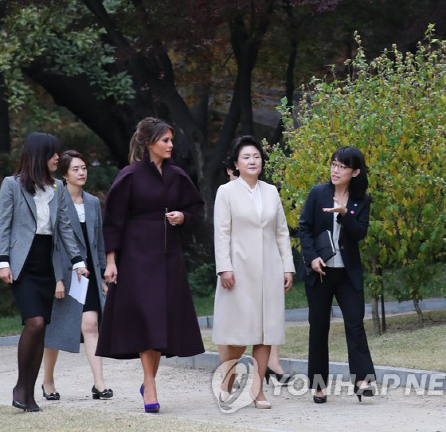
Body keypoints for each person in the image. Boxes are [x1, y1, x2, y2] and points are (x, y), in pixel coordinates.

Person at [95, 117, 204, 413]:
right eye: (165, 140)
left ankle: (148, 381)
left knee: (160, 320)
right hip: (136, 256)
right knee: (147, 318)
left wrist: (182, 216)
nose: (171, 145)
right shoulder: (129, 176)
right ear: (148, 143)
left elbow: (195, 208)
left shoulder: (178, 175)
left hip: (169, 256)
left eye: (171, 140)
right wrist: (111, 261)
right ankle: (151, 385)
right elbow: (113, 221)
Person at [0, 133, 89, 412]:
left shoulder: (58, 187)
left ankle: (29, 392)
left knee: (41, 330)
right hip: (23, 264)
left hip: (47, 264)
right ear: (39, 155)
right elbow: (4, 224)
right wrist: (2, 261)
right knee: (34, 323)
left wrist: (77, 260)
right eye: (52, 153)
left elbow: (64, 227)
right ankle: (21, 386)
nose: (57, 158)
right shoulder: (11, 185)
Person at [212, 135, 295, 409]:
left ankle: (258, 390)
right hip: (238, 270)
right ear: (235, 163)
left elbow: (281, 232)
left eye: (256, 156)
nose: (252, 161)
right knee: (238, 331)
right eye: (246, 157)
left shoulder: (271, 191)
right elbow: (221, 232)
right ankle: (228, 378)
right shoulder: (226, 191)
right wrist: (224, 267)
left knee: (266, 332)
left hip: (270, 270)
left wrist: (287, 267)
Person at [298, 146, 376, 403]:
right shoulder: (318, 193)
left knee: (355, 324)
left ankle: (363, 380)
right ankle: (319, 385)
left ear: (355, 172)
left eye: (342, 166)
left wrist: (344, 214)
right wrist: (312, 258)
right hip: (320, 273)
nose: (335, 170)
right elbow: (304, 228)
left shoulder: (361, 200)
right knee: (319, 327)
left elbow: (360, 233)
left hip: (347, 273)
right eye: (333, 164)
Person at [42, 150, 112, 401]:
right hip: (64, 274)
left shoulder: (93, 202)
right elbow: (51, 243)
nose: (82, 173)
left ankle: (100, 384)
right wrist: (57, 277)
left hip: (89, 275)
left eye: (84, 168)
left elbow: (99, 243)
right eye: (76, 169)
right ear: (64, 174)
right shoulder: (54, 199)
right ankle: (47, 381)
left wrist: (104, 275)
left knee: (90, 326)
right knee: (56, 330)